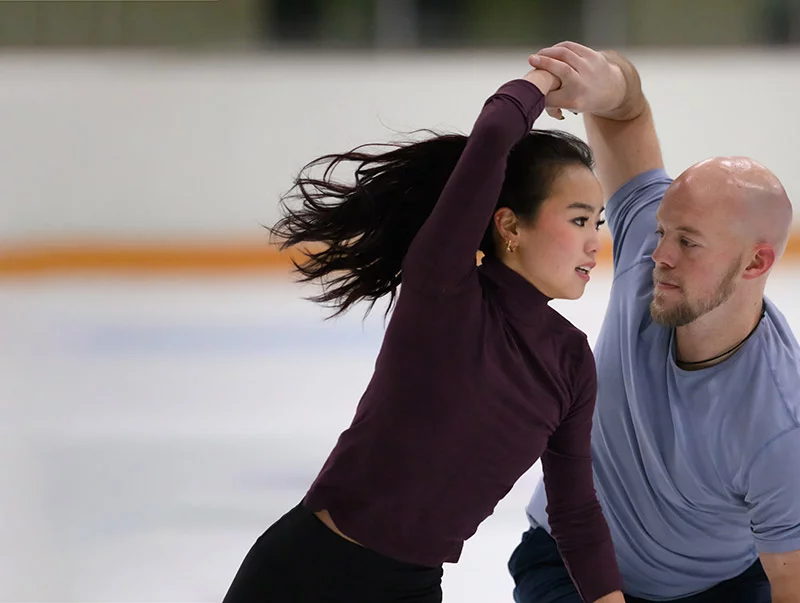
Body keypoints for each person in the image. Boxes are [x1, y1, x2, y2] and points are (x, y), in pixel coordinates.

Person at [221, 62, 626, 603]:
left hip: (412, 589)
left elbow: (575, 513)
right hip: (308, 574)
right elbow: (493, 135)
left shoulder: (571, 361)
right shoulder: (445, 290)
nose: (593, 242)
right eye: (578, 220)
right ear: (509, 225)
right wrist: (544, 84)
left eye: (597, 223)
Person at [509, 42, 800, 603]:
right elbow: (625, 111)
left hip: (720, 588)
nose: (657, 255)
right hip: (566, 561)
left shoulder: (781, 426)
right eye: (663, 231)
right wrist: (605, 82)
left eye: (688, 243)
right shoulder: (652, 249)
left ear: (757, 262)